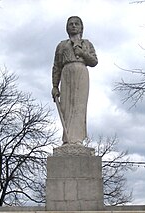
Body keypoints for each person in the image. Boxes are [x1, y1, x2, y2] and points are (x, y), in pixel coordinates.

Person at [52, 16, 98, 145]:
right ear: (67, 27)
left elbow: (94, 61)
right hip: (66, 72)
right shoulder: (62, 45)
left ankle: (77, 139)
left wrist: (83, 53)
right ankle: (67, 139)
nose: (73, 26)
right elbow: (56, 66)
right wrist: (55, 86)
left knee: (79, 105)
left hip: (81, 71)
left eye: (76, 24)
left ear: (81, 27)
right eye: (70, 24)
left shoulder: (87, 44)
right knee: (66, 106)